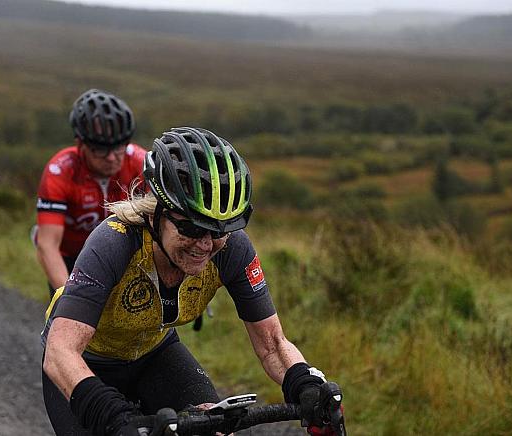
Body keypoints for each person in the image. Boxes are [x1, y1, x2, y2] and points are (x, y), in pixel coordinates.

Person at [41, 127, 345, 436]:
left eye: (219, 230)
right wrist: (109, 414)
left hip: (154, 354)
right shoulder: (114, 242)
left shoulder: (232, 249)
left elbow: (273, 345)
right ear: (155, 214)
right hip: (87, 362)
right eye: (191, 229)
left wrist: (305, 384)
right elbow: (60, 351)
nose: (205, 245)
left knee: (213, 430)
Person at [35, 89, 146, 297]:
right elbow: (47, 245)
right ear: (80, 144)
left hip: (121, 257)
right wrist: (68, 299)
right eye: (100, 149)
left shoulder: (140, 163)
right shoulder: (60, 170)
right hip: (72, 259)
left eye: (119, 147)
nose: (112, 158)